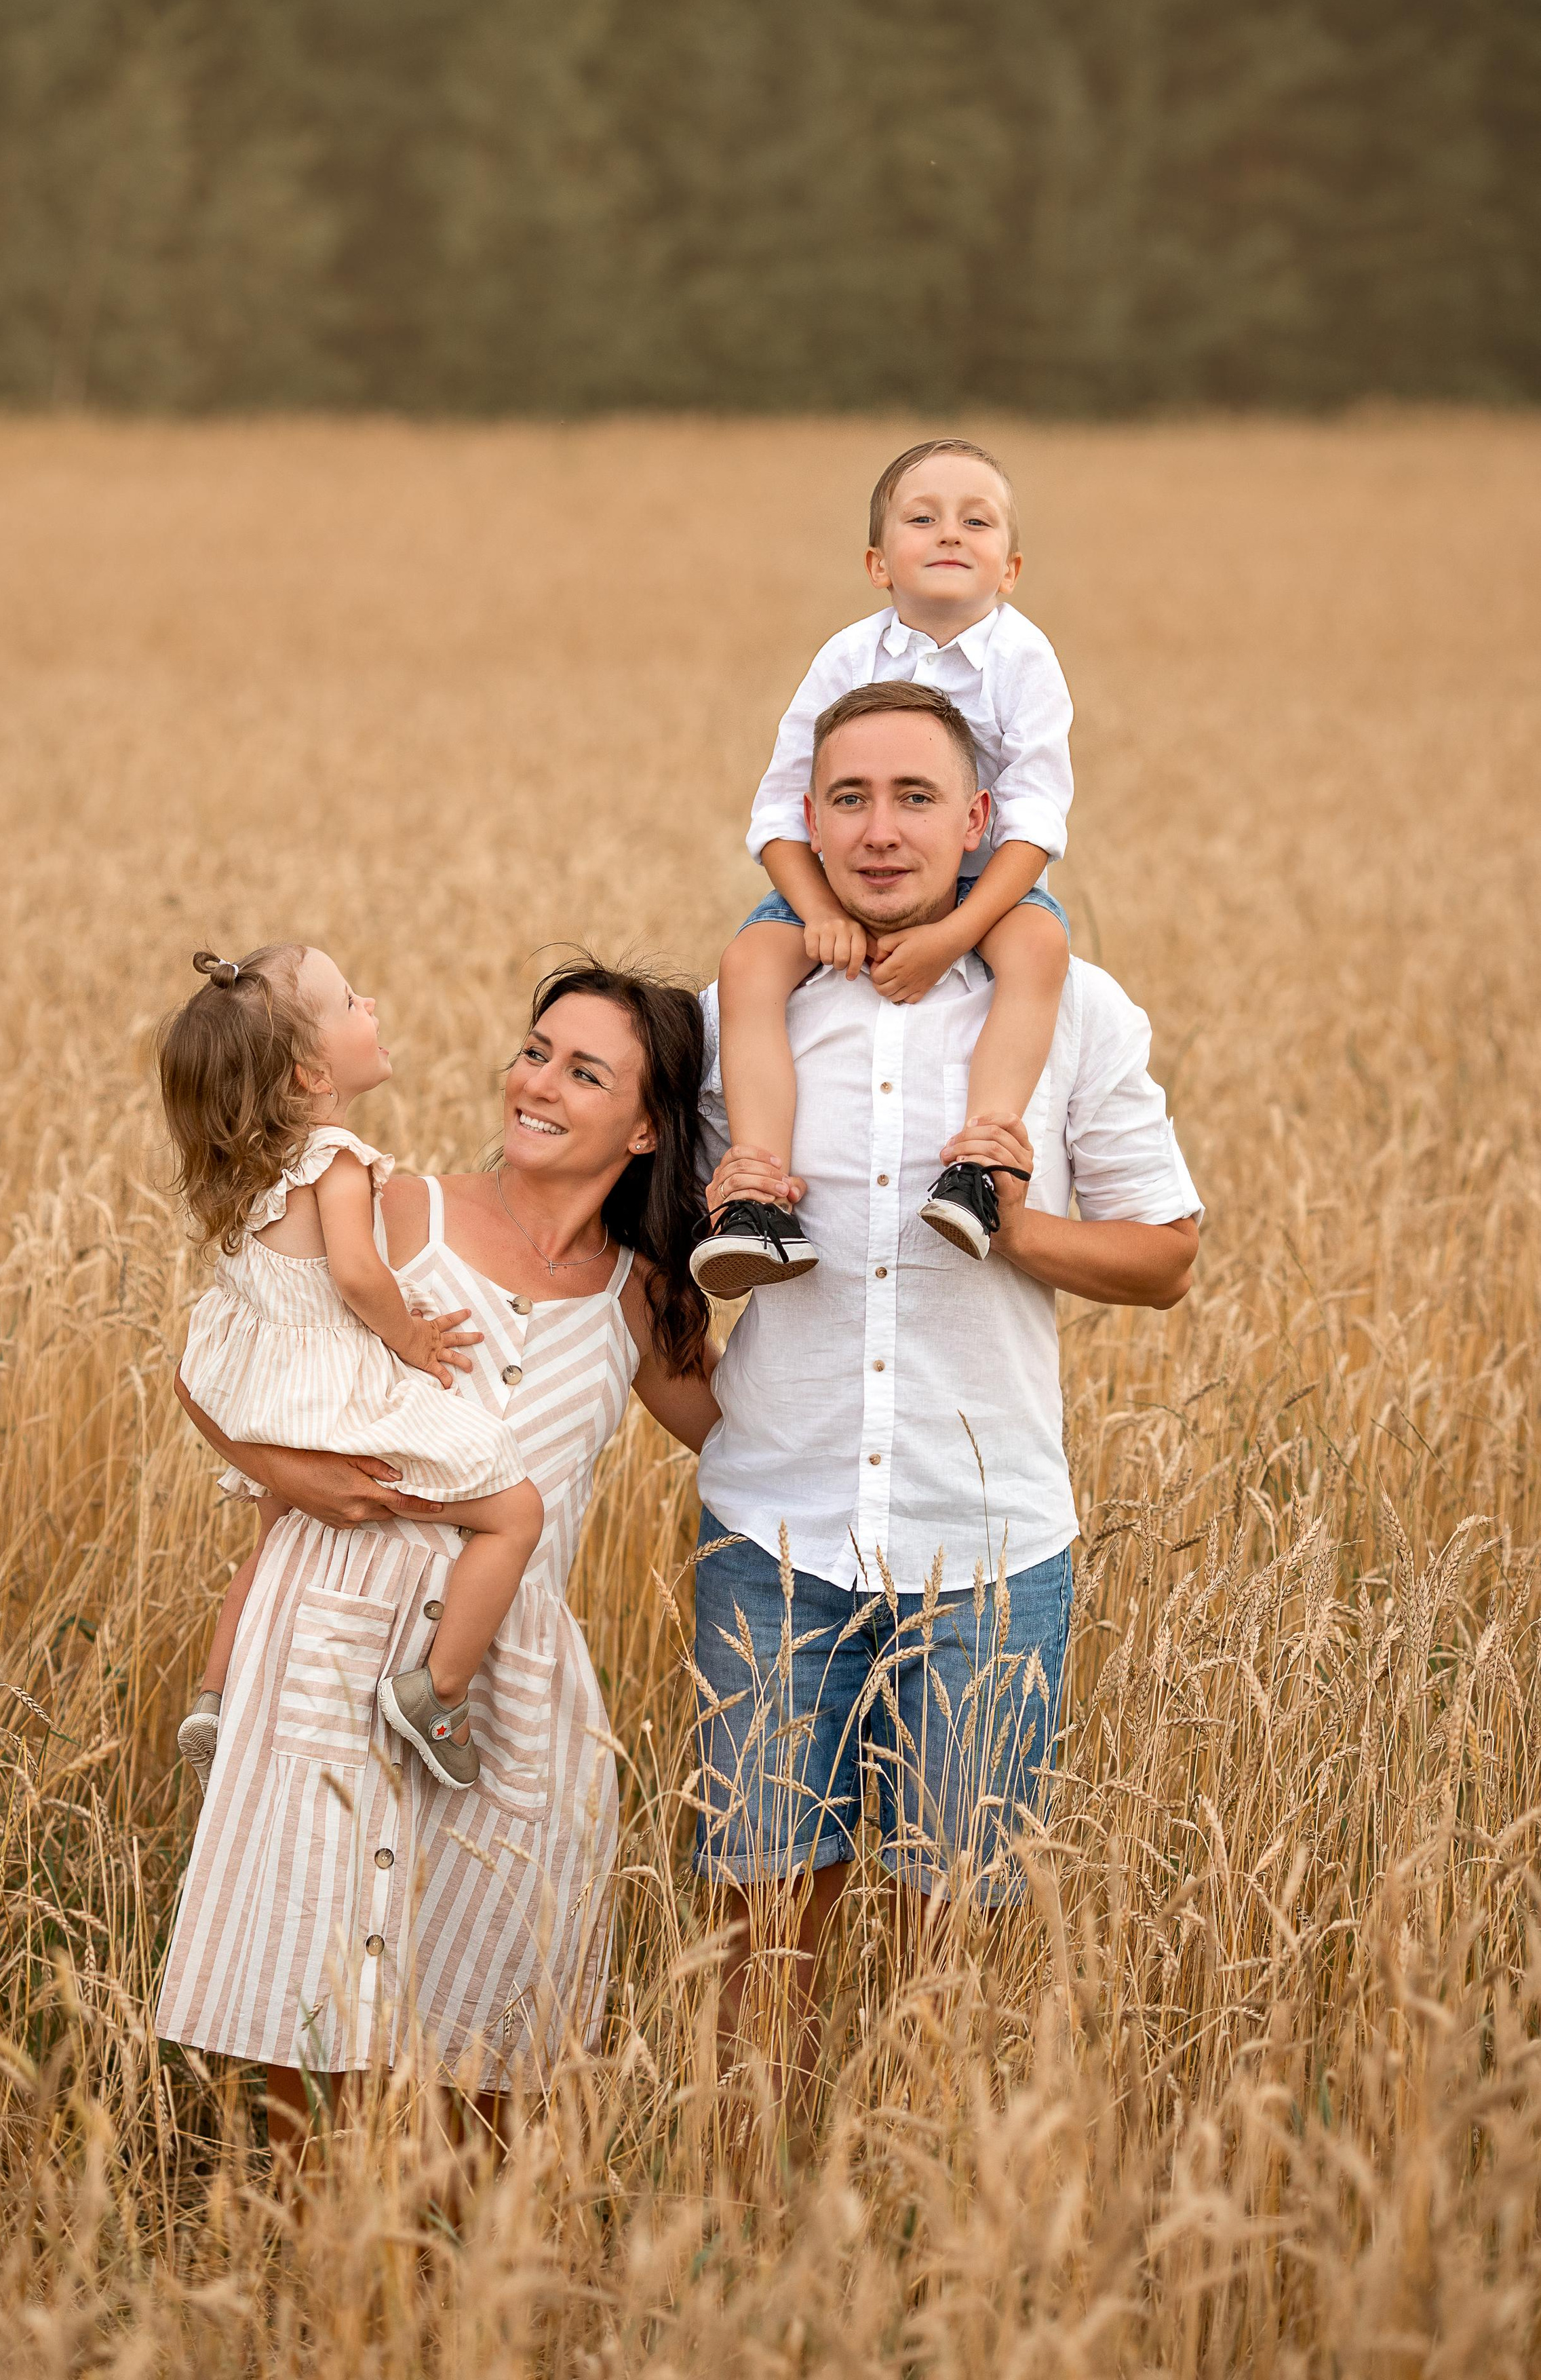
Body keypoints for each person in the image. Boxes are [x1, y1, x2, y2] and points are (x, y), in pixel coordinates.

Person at [690, 680, 1201, 2060]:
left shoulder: (1071, 1008)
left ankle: (924, 2233)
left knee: (943, 1950)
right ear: (806, 819)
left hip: (987, 1548)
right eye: (847, 798)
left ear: (978, 820)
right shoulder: (743, 1009)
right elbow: (638, 1254)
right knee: (757, 1934)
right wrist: (684, 1396)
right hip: (767, 1535)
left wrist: (1009, 1228)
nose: (878, 830)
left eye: (914, 798)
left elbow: (1165, 1257)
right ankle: (743, 2212)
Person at [153, 959, 719, 2165]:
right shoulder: (395, 1209)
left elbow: (756, 1441)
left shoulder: (638, 1300)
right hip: (334, 1635)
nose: (539, 1082)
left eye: (585, 1072)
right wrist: (289, 1476)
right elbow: (225, 1347)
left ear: (649, 1126)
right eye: (534, 1050)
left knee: (495, 2019)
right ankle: (321, 2299)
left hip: (510, 1682)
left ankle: (453, 2301)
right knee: (313, 1993)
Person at [157, 944, 545, 1797]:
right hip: (333, 1399)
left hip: (265, 1398)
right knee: (515, 1512)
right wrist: (409, 1339)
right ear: (311, 1072)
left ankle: (220, 1696)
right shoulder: (333, 1158)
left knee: (267, 1542)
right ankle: (437, 1689)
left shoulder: (250, 1172)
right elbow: (359, 1277)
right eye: (348, 1002)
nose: (369, 1002)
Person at [691, 438, 1074, 1295]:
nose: (950, 533)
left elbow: (1034, 820)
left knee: (1037, 953)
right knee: (751, 960)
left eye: (976, 521)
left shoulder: (1026, 661)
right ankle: (759, 1196)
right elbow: (781, 808)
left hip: (987, 888)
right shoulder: (843, 658)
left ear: (1009, 568)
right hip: (837, 880)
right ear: (877, 561)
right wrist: (814, 909)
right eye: (922, 517)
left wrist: (955, 935)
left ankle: (978, 1168)